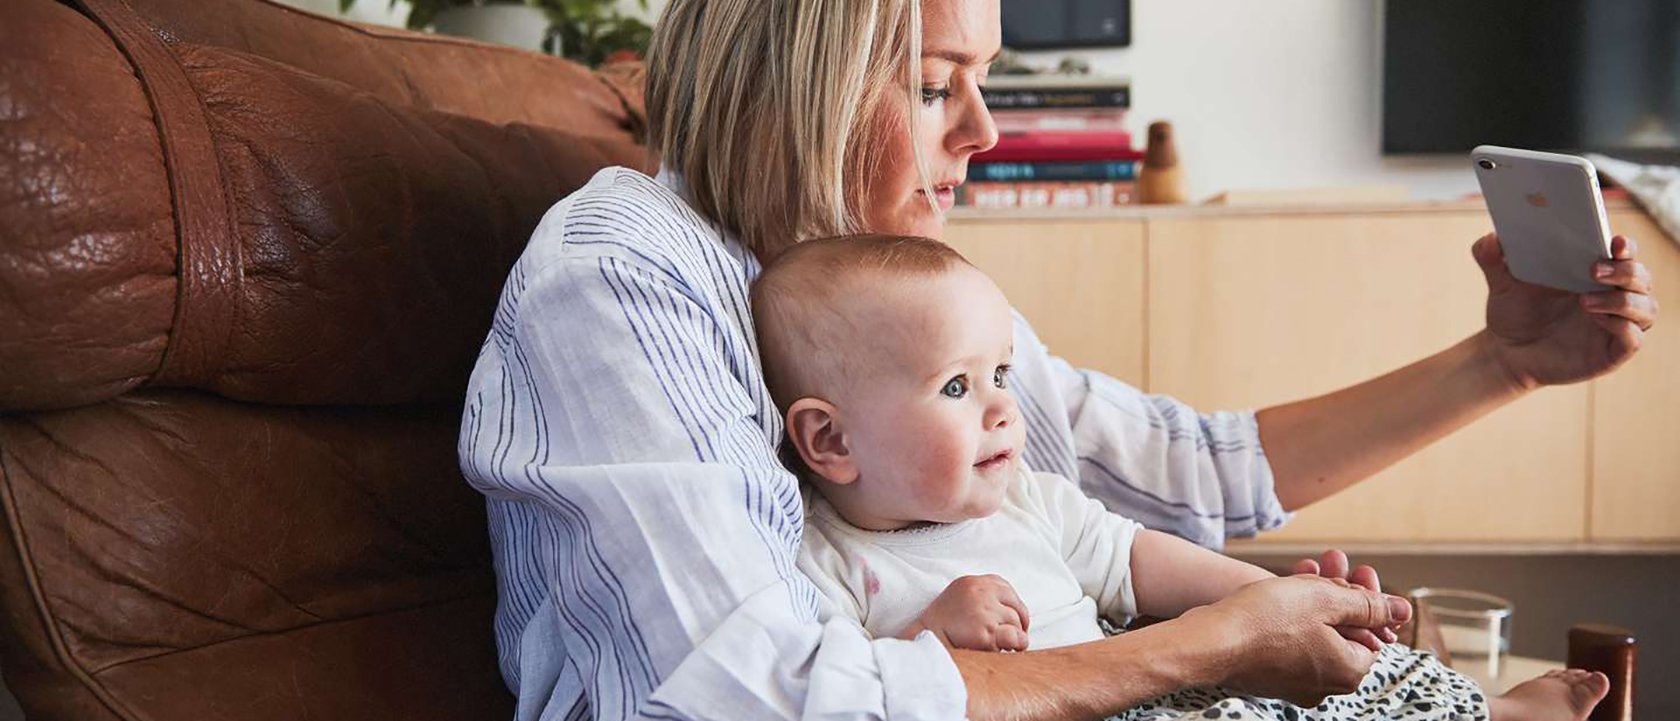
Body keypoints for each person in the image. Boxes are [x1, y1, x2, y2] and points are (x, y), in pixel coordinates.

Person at [456, 0, 1659, 718]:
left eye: (987, 83)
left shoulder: (894, 292)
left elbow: (1172, 470)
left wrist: (1501, 364)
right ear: (797, 86)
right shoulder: (626, 270)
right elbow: (763, 697)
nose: (984, 131)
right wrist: (1210, 645)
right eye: (938, 87)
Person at [754, 233, 1611, 721]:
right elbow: (852, 694)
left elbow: (1140, 559)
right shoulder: (826, 557)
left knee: (1364, 674)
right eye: (955, 385)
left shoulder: (1027, 498)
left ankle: (1491, 714)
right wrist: (932, 637)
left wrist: (1281, 599)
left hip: (1161, 687)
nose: (1001, 410)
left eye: (1003, 375)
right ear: (830, 439)